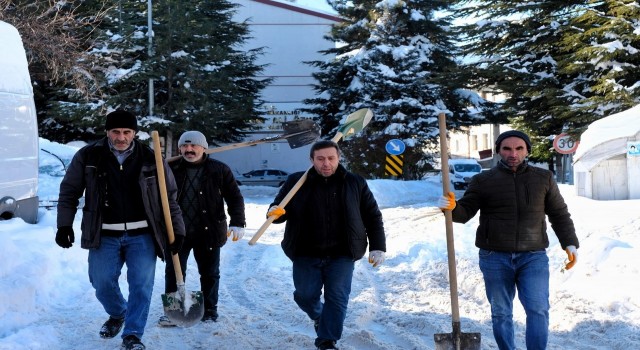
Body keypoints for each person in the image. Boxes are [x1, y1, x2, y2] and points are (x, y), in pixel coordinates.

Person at [55, 110, 185, 350]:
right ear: (107, 132)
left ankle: (133, 335)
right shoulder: (89, 155)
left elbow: (170, 198)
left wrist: (177, 231)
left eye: (127, 132)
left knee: (141, 285)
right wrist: (64, 224)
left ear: (134, 133)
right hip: (104, 233)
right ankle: (118, 313)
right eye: (116, 131)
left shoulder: (151, 157)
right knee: (101, 281)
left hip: (142, 235)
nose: (121, 137)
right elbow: (69, 191)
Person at [437, 130, 580, 350]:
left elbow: (559, 214)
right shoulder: (483, 180)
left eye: (519, 148)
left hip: (533, 256)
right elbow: (464, 214)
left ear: (527, 150)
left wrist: (569, 243)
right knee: (501, 312)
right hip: (494, 256)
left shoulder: (543, 178)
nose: (513, 153)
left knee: (538, 308)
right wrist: (452, 208)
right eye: (507, 148)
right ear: (499, 151)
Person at [266, 140, 386, 350]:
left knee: (337, 297)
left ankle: (327, 341)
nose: (326, 163)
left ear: (339, 158)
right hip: (305, 251)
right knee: (305, 295)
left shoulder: (355, 182)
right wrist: (274, 212)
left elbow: (372, 216)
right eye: (320, 159)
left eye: (331, 158)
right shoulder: (296, 182)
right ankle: (319, 316)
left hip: (343, 252)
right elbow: (277, 209)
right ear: (312, 160)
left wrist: (378, 245)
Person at [157, 130, 246, 326]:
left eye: (194, 146)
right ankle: (172, 311)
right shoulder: (168, 169)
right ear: (179, 148)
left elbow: (234, 197)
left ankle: (210, 310)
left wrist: (238, 221)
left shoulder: (219, 169)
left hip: (209, 231)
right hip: (177, 232)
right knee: (173, 272)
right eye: (185, 146)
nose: (189, 149)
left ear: (203, 148)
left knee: (210, 273)